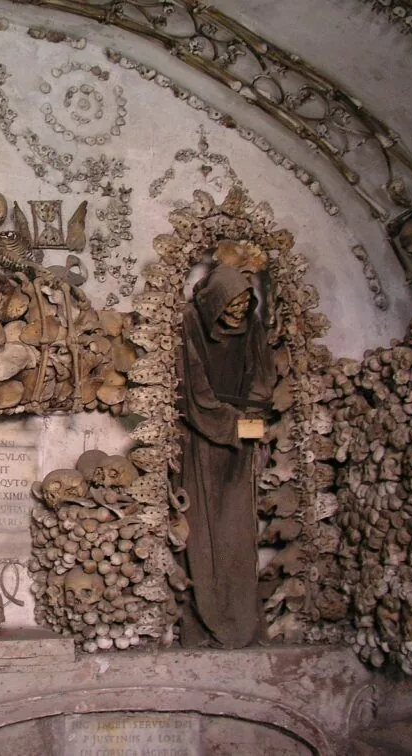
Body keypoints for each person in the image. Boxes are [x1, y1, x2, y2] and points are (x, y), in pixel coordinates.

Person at [176, 263, 275, 649]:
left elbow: (262, 378)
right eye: (230, 307)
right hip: (200, 441)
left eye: (243, 307)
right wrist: (236, 424)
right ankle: (204, 620)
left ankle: (240, 621)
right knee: (200, 533)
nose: (237, 314)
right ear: (214, 302)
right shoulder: (189, 322)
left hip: (240, 445)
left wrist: (252, 418)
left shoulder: (252, 327)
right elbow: (194, 390)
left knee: (237, 533)